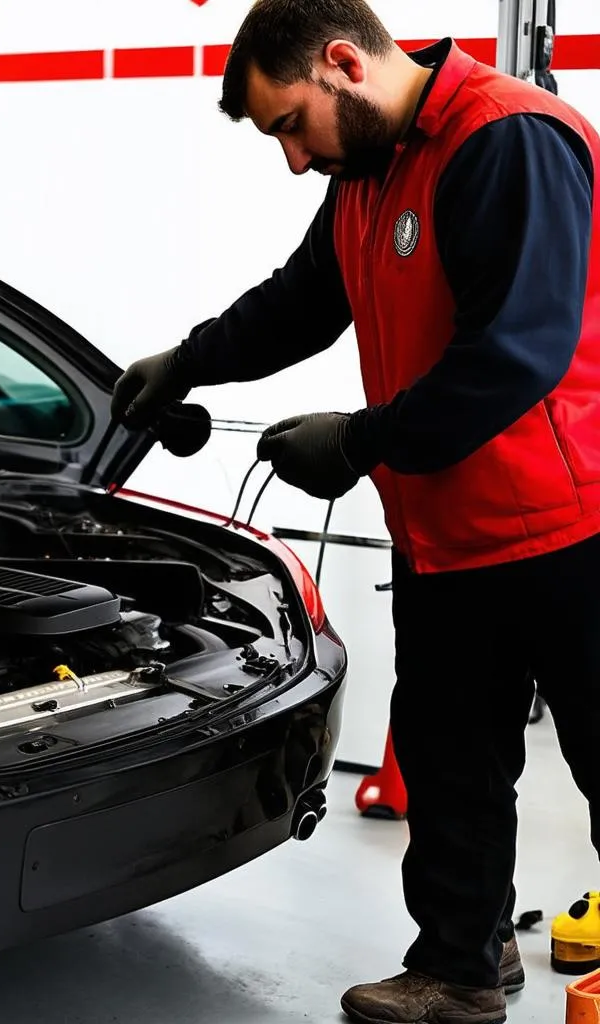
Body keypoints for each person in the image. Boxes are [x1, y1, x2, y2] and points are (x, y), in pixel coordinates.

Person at [110, 2, 600, 1022]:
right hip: (443, 527)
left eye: (291, 124)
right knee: (452, 765)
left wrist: (359, 439)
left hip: (571, 526)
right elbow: (301, 300)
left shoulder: (504, 141)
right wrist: (187, 360)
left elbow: (517, 354)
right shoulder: (366, 170)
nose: (292, 158)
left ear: (342, 62)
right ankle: (460, 969)